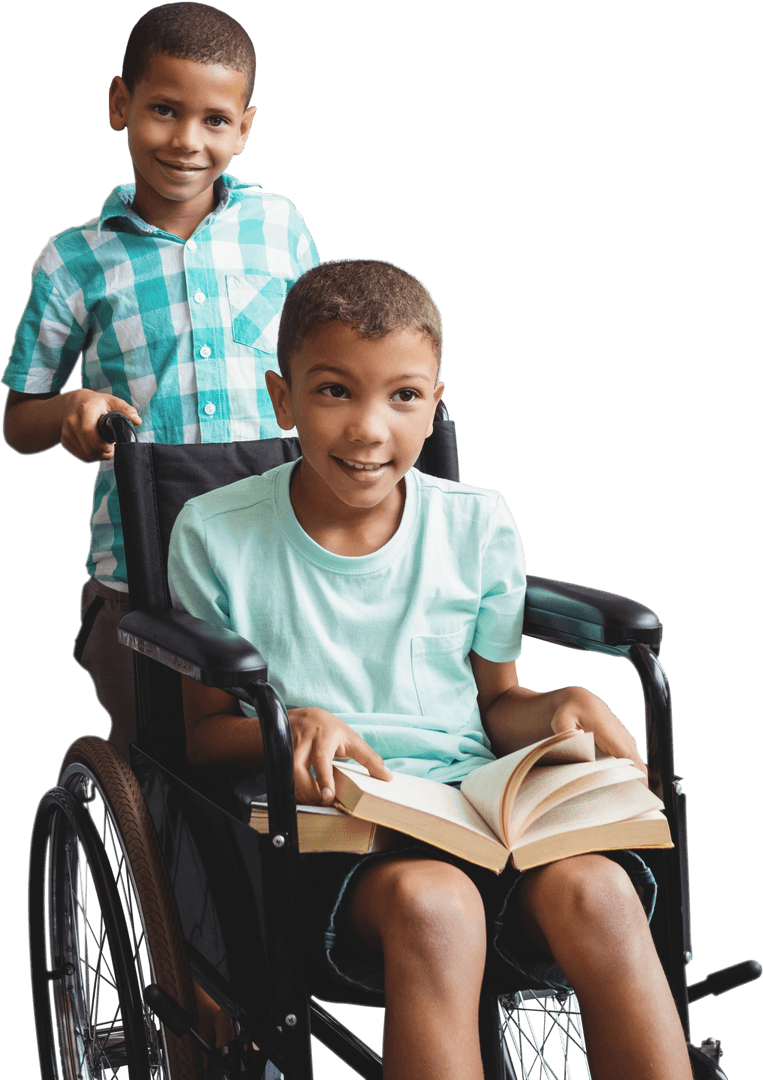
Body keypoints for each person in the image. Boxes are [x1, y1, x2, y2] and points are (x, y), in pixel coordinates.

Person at [167, 259, 693, 1079]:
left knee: (601, 893)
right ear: (282, 399)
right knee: (437, 905)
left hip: (471, 810)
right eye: (334, 391)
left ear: (434, 405)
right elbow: (200, 736)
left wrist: (557, 708)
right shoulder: (213, 532)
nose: (368, 429)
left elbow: (497, 701)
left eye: (403, 396)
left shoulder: (476, 524)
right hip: (328, 834)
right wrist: (290, 726)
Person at [2, 3, 318, 757]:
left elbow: (325, 365)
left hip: (278, 555)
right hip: (141, 566)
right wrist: (70, 409)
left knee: (291, 747)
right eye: (165, 110)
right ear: (121, 104)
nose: (187, 141)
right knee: (163, 762)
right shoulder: (73, 260)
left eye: (215, 120)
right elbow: (18, 419)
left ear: (243, 129)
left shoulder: (279, 228)